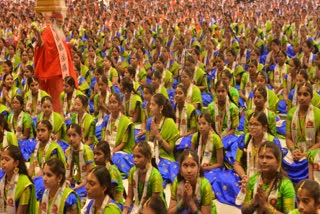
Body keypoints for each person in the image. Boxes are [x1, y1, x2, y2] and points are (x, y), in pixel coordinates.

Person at [32, 12, 77, 112]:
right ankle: (58, 115)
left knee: (65, 94)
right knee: (57, 95)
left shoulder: (59, 32)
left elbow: (60, 48)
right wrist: (38, 34)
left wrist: (70, 46)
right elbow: (42, 45)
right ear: (53, 21)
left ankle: (66, 113)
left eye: (62, 22)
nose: (61, 24)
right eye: (59, 22)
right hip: (54, 71)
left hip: (63, 71)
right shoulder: (48, 31)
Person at [242, 141, 295, 214]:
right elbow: (243, 211)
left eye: (269, 157)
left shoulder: (286, 185)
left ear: (278, 161)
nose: (264, 161)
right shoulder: (253, 180)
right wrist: (254, 202)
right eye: (261, 157)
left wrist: (265, 206)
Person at [285, 83, 320, 183]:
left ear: (311, 96)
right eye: (299, 94)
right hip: (295, 151)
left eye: (305, 94)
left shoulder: (318, 114)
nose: (301, 98)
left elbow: (319, 142)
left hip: (312, 151)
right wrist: (293, 150)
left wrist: (305, 154)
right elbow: (288, 138)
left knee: (311, 161)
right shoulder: (291, 113)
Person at [168, 150, 216, 214]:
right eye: (185, 165)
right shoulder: (177, 182)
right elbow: (169, 212)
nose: (189, 170)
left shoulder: (205, 186)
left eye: (193, 165)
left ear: (198, 168)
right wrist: (183, 201)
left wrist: (190, 201)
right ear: (180, 170)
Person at [147, 93, 180, 185]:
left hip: (165, 157)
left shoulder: (169, 123)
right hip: (152, 156)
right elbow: (148, 143)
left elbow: (170, 149)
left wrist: (158, 135)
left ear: (161, 108)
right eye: (150, 104)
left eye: (153, 105)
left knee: (156, 174)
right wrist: (151, 136)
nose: (150, 107)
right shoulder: (150, 121)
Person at [123, 142, 164, 214]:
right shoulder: (133, 171)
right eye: (134, 156)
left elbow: (153, 206)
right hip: (138, 205)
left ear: (148, 158)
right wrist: (125, 211)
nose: (135, 160)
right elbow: (129, 197)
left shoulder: (155, 176)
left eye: (138, 157)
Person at [100, 93, 135, 176]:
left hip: (119, 151)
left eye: (114, 102)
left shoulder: (126, 122)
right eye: (110, 102)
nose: (112, 105)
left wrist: (111, 152)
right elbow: (102, 137)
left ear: (119, 105)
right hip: (106, 148)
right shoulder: (106, 119)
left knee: (117, 159)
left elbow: (123, 143)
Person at [0, 145, 36, 213]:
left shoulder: (24, 185)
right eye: (2, 159)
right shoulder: (2, 179)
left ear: (16, 163)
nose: (3, 162)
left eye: (7, 159)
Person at [93, 141, 124, 207]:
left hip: (115, 203)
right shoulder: (98, 168)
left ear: (107, 156)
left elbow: (110, 193)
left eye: (98, 154)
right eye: (94, 153)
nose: (95, 157)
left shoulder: (112, 170)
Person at [65, 123, 94, 193]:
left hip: (89, 183)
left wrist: (76, 188)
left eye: (74, 135)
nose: (71, 139)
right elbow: (69, 175)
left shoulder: (86, 151)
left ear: (81, 136)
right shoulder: (69, 151)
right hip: (77, 182)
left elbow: (90, 177)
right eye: (69, 136)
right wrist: (67, 183)